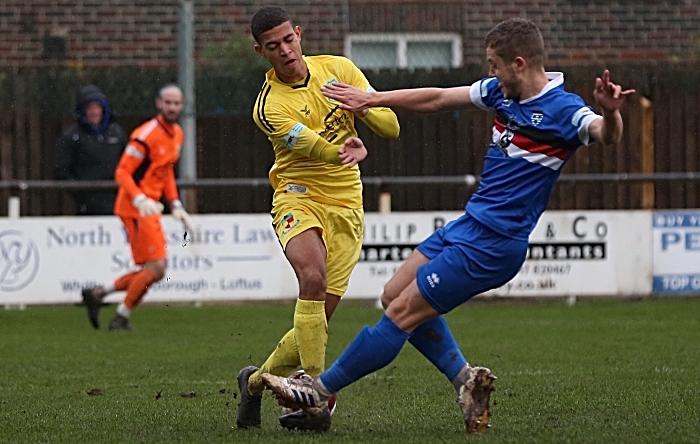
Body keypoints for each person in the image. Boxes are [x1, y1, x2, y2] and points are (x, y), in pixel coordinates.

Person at [261, 18, 636, 434]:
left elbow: (606, 134)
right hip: (468, 225)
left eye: (494, 64)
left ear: (518, 63)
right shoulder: (501, 91)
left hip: (495, 244)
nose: (489, 73)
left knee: (401, 314)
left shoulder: (565, 110)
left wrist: (610, 112)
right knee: (392, 295)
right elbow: (439, 97)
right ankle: (465, 382)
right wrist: (370, 99)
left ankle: (318, 390)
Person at [236, 5, 400, 431]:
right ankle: (316, 397)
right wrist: (348, 147)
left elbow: (392, 125)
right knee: (313, 279)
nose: (285, 51)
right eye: (274, 46)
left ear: (299, 34)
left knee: (317, 322)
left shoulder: (339, 68)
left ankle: (253, 384)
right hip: (298, 197)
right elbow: (317, 149)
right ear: (261, 51)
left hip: (347, 205)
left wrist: (362, 106)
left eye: (289, 40)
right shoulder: (268, 106)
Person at [80, 84, 195, 331]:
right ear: (159, 104)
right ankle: (119, 317)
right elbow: (122, 172)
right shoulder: (146, 135)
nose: (173, 107)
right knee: (156, 268)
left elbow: (165, 173)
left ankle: (99, 294)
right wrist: (140, 199)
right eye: (168, 103)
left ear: (182, 105)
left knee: (154, 269)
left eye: (177, 103)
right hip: (135, 208)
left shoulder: (177, 133)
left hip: (151, 207)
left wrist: (174, 203)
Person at [54, 85, 127, 215]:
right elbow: (61, 170)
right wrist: (80, 193)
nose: (94, 112)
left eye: (98, 107)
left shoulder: (117, 133)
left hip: (118, 200)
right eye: (90, 108)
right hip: (86, 205)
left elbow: (129, 163)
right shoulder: (71, 136)